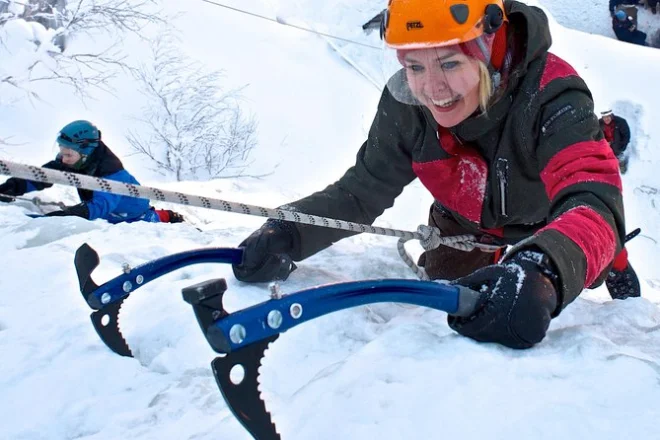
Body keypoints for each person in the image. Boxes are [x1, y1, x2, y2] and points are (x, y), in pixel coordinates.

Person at [232, 0, 641, 349]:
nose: (432, 89)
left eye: (449, 63)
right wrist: (289, 231)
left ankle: (617, 261)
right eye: (414, 66)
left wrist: (543, 269)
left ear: (487, 48)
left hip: (549, 224)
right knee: (450, 302)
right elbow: (361, 191)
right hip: (462, 223)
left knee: (582, 258)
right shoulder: (407, 106)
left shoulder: (552, 94)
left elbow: (594, 203)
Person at [0, 120, 184, 224]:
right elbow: (43, 176)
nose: (63, 159)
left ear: (85, 151)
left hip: (132, 216)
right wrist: (11, 188)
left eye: (68, 154)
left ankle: (168, 216)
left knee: (150, 220)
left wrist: (68, 216)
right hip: (110, 211)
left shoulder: (113, 174)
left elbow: (100, 207)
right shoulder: (74, 159)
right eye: (62, 152)